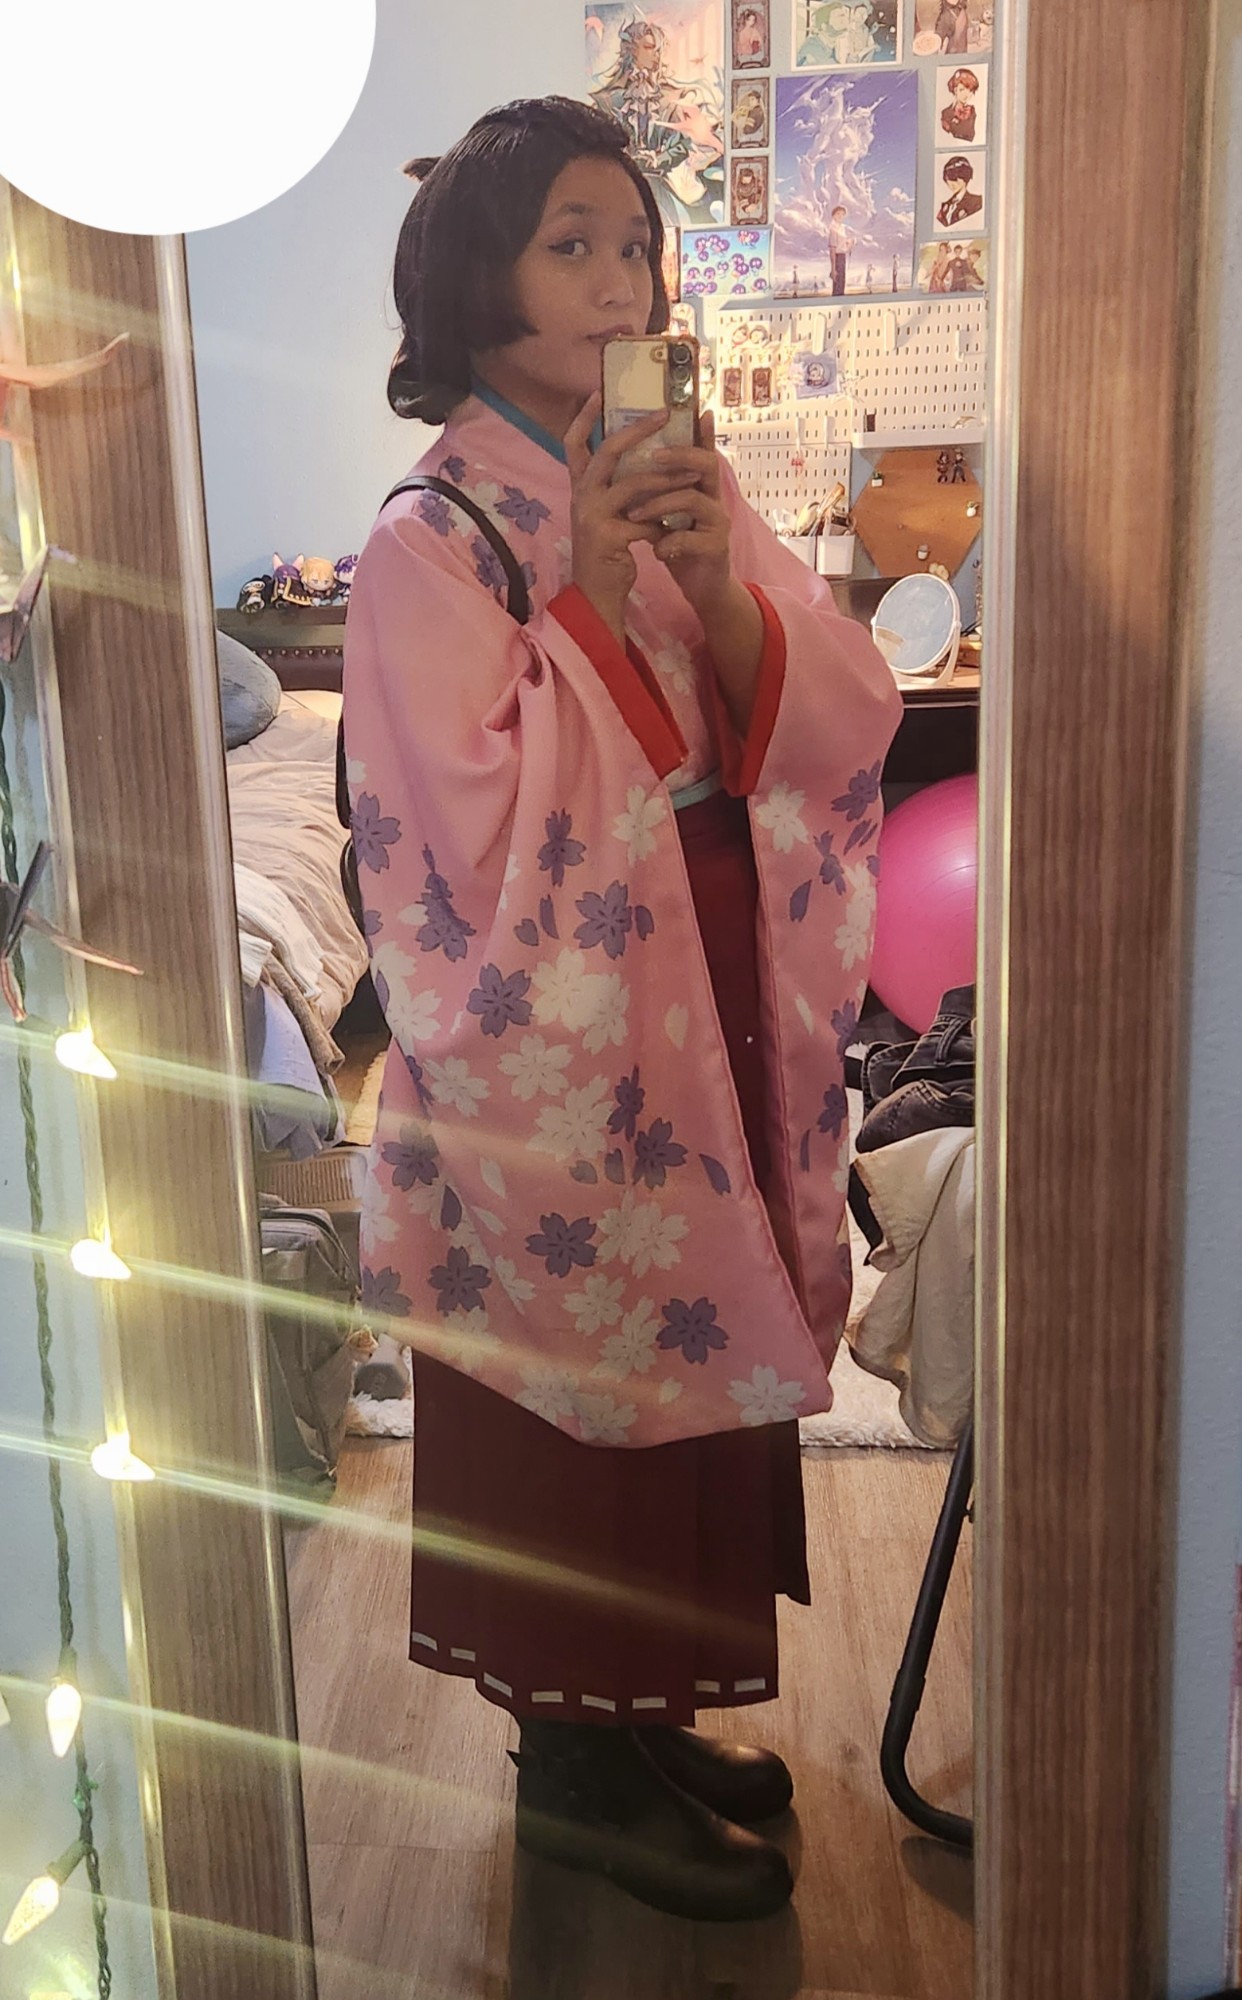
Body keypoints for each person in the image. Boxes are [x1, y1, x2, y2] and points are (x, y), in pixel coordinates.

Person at [343, 95, 900, 1925]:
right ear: (474, 278)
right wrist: (582, 596)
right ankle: (569, 1770)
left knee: (693, 1361)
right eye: (567, 243)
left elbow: (826, 716)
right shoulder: (430, 538)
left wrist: (717, 586)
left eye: (633, 243)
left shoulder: (672, 474)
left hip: (703, 982)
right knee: (574, 1385)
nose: (615, 280)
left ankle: (642, 1719)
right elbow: (453, 824)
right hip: (560, 1025)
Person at [937, 154, 983, 230]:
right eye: (947, 179)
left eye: (954, 178)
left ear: (965, 176)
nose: (951, 183)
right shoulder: (945, 206)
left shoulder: (976, 201)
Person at [940, 66, 979, 144]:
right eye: (962, 90)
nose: (966, 95)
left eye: (970, 91)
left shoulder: (972, 112)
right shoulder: (946, 113)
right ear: (955, 90)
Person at [828, 204, 854, 293]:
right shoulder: (833, 229)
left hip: (842, 258)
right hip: (837, 259)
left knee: (842, 283)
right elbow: (832, 249)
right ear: (833, 215)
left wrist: (849, 243)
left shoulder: (841, 229)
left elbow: (843, 247)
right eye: (838, 214)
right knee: (838, 285)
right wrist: (833, 269)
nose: (840, 216)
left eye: (842, 214)